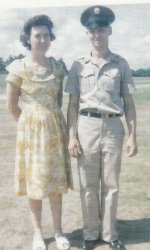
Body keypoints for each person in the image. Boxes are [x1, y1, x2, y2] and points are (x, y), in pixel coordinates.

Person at [65, 5, 138, 250]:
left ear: (110, 31)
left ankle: (110, 234)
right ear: (87, 34)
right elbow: (73, 104)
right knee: (87, 185)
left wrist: (132, 136)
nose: (97, 34)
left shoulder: (121, 63)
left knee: (111, 184)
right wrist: (71, 137)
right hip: (86, 126)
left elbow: (129, 102)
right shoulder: (77, 65)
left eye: (101, 29)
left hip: (113, 127)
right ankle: (89, 234)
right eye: (92, 30)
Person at [6, 15, 72, 250]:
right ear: (27, 39)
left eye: (46, 35)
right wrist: (28, 126)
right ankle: (37, 233)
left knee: (54, 184)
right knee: (35, 185)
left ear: (50, 38)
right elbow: (12, 106)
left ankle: (58, 231)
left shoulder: (57, 67)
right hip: (31, 135)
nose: (42, 39)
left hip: (55, 131)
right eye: (37, 35)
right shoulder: (18, 67)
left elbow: (58, 101)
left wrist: (50, 123)